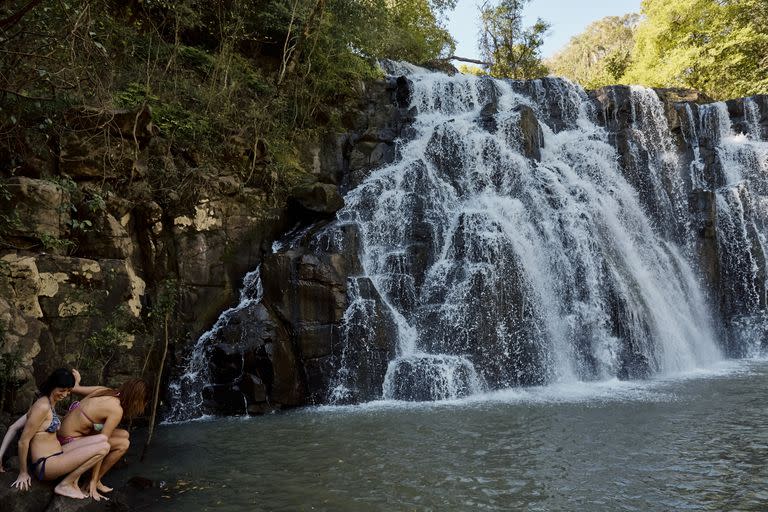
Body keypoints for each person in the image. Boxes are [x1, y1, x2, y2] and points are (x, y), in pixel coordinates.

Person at [8, 368, 111, 499]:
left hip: (58, 453)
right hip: (47, 464)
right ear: (52, 385)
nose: (65, 394)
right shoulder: (42, 407)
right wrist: (23, 472)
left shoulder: (50, 402)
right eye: (62, 390)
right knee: (104, 448)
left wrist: (76, 382)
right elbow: (23, 441)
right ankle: (65, 484)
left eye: (68, 391)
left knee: (103, 439)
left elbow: (14, 427)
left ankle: (74, 481)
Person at [58, 369, 148, 500]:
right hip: (68, 442)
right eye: (142, 402)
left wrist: (77, 381)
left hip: (65, 432)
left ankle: (95, 480)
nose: (142, 407)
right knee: (124, 444)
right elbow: (101, 445)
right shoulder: (116, 410)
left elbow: (75, 389)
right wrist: (93, 481)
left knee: (124, 434)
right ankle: (91, 482)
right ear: (136, 399)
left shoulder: (105, 390)